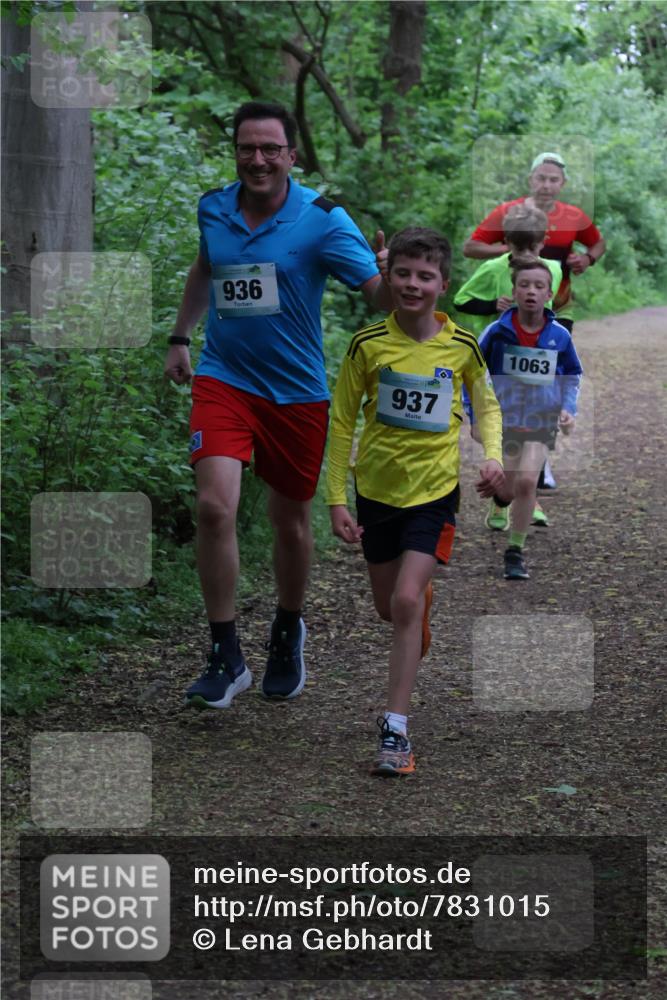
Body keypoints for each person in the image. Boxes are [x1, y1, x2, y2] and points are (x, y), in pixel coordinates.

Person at [164, 101, 392, 710]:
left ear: (291, 155)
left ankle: (288, 630)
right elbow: (205, 267)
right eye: (247, 148)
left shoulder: (322, 218)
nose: (258, 159)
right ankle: (224, 653)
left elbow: (375, 295)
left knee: (289, 522)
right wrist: (181, 336)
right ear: (235, 152)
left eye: (271, 149)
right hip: (224, 379)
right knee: (214, 508)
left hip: (295, 393)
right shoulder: (213, 206)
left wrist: (394, 277)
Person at [326, 227, 504, 775]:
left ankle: (395, 730)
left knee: (404, 601)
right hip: (377, 492)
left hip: (434, 495)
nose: (411, 283)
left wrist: (492, 456)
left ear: (442, 285)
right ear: (389, 277)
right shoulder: (367, 344)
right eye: (402, 273)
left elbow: (487, 407)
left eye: (424, 276)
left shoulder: (463, 347)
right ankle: (414, 611)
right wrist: (336, 499)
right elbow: (340, 423)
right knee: (392, 608)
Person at [463, 150, 601, 492]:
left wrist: (587, 258)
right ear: (530, 179)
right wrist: (513, 253)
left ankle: (539, 456)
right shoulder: (509, 213)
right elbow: (470, 247)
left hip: (558, 307)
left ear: (563, 183)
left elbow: (597, 243)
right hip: (514, 312)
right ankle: (516, 448)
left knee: (547, 373)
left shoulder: (574, 215)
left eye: (554, 179)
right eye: (541, 177)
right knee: (518, 377)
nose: (547, 185)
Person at [466, 260, 583, 581]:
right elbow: (471, 373)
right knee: (510, 484)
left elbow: (572, 374)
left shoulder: (559, 335)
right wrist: (474, 415)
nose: (531, 291)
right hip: (503, 418)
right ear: (514, 291)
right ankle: (501, 500)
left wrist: (568, 408)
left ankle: (514, 551)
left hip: (541, 418)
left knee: (528, 481)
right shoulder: (496, 331)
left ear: (549, 294)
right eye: (524, 285)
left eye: (539, 286)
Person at [455, 203, 562, 530]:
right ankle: (502, 500)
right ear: (506, 243)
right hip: (501, 362)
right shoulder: (494, 267)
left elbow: (552, 308)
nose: (525, 255)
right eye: (518, 248)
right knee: (503, 430)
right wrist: (492, 305)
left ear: (543, 242)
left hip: (538, 361)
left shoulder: (553, 269)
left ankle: (531, 496)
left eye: (531, 248)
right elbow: (461, 300)